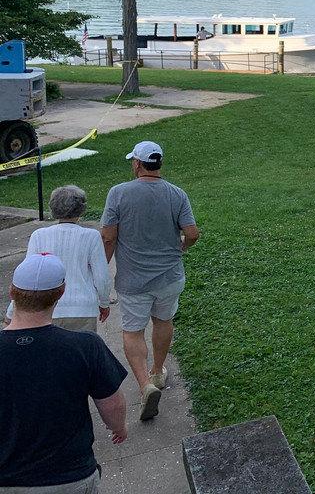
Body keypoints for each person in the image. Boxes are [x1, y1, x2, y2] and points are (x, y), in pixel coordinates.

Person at [0, 253, 127, 492]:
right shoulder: (85, 346)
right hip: (70, 477)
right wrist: (119, 427)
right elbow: (113, 404)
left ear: (12, 292)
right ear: (61, 293)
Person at [101, 140, 199, 422]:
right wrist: (181, 247)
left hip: (134, 281)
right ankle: (157, 371)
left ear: (137, 164)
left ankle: (145, 386)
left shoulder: (118, 193)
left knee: (133, 331)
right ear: (159, 164)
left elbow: (108, 237)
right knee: (163, 321)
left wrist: (100, 270)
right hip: (170, 277)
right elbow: (192, 233)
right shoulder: (177, 194)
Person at [5, 186, 111, 331]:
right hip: (82, 308)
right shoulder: (91, 236)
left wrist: (12, 311)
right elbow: (101, 277)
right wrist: (104, 303)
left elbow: (27, 277)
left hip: (45, 309)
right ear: (81, 208)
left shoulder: (39, 235)